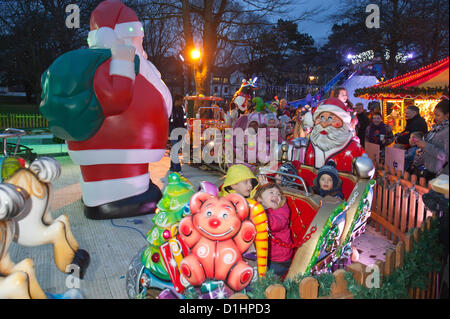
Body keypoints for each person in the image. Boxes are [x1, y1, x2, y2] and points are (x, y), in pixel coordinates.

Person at [304, 98, 365, 173]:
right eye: (321, 117)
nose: (324, 124)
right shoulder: (308, 145)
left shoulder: (354, 148)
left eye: (331, 118)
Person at [254, 183, 293, 276]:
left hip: (278, 260)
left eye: (278, 194)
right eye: (271, 192)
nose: (276, 195)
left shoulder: (282, 208)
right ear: (259, 198)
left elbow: (278, 223)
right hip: (260, 255)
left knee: (262, 277)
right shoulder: (256, 209)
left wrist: (262, 217)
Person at [409, 99, 449, 178]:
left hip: (440, 175)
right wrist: (419, 143)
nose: (435, 118)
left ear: (447, 115)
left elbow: (445, 156)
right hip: (428, 171)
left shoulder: (446, 131)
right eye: (435, 115)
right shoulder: (435, 129)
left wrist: (426, 146)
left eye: (438, 115)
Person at [169, 95, 186, 175]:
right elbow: (169, 122)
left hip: (180, 131)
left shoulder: (181, 109)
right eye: (181, 100)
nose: (182, 102)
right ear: (177, 100)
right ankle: (178, 169)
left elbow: (183, 120)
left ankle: (172, 167)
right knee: (175, 150)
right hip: (173, 132)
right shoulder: (170, 109)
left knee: (174, 150)